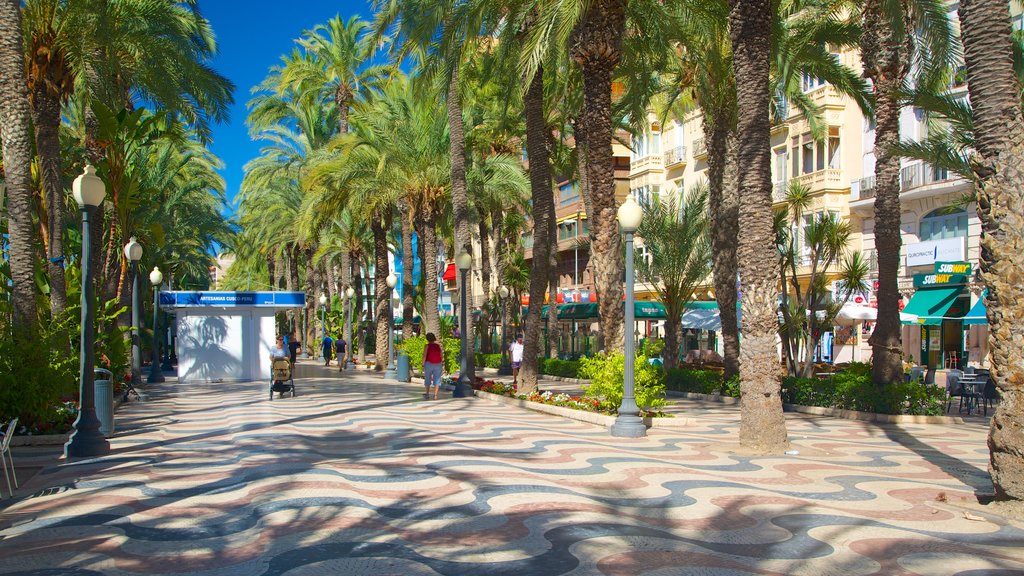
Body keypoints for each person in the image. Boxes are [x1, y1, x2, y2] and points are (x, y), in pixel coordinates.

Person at [422, 332, 444, 400]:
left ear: (427, 339)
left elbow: (424, 355)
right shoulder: (438, 346)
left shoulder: (427, 346)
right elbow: (441, 355)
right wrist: (442, 362)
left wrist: (423, 364)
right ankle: (435, 395)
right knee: (437, 379)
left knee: (427, 378)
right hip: (438, 364)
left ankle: (427, 394)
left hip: (429, 364)